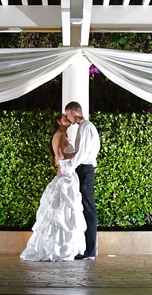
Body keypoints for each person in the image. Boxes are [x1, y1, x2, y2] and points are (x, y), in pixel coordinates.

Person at [20, 113, 87, 262]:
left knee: (65, 210)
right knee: (63, 210)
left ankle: (63, 247)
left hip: (67, 172)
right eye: (64, 117)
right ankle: (59, 248)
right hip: (66, 174)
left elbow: (59, 158)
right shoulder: (60, 135)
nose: (67, 118)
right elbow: (60, 157)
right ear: (59, 121)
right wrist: (77, 154)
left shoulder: (62, 135)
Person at [65, 101, 100, 260]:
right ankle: (88, 249)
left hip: (85, 169)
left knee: (89, 208)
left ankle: (90, 251)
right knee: (86, 208)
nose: (67, 118)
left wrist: (69, 166)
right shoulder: (84, 127)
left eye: (68, 114)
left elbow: (83, 152)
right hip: (84, 169)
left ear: (74, 112)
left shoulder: (86, 127)